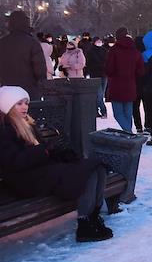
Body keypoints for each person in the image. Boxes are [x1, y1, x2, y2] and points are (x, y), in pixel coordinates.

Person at [0, 86, 120, 242]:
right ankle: (84, 224)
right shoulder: (4, 131)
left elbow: (41, 153)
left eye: (26, 103)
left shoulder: (27, 124)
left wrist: (59, 153)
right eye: (19, 104)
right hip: (24, 180)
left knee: (96, 167)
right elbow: (14, 162)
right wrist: (44, 150)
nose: (25, 107)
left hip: (38, 172)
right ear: (7, 107)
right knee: (84, 172)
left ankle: (93, 216)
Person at [104, 28, 144, 133]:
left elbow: (109, 69)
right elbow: (140, 71)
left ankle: (129, 134)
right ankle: (129, 135)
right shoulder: (135, 51)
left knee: (118, 114)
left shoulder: (114, 50)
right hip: (130, 85)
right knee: (127, 114)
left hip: (116, 86)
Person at [0, 11, 48, 99]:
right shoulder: (32, 43)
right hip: (28, 92)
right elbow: (40, 70)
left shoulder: (2, 43)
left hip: (6, 92)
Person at [84, 34, 109, 117]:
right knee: (99, 94)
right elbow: (89, 63)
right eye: (97, 42)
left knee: (101, 94)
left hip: (104, 74)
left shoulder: (104, 50)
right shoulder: (90, 51)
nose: (99, 43)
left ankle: (95, 110)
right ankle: (103, 110)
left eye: (100, 41)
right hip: (95, 75)